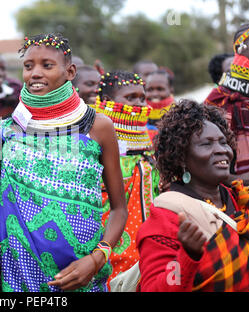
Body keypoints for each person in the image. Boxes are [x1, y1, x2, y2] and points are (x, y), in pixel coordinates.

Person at [0, 33, 127, 292]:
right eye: (28, 66)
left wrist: (96, 259)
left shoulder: (98, 127)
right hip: (19, 277)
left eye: (47, 65)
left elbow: (118, 209)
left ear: (70, 72)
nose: (35, 73)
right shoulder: (5, 132)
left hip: (82, 275)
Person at [136, 99, 249, 291]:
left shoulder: (239, 199)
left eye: (223, 142)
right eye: (207, 144)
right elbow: (153, 288)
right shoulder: (166, 218)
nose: (222, 150)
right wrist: (188, 257)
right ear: (181, 157)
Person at [93, 70, 160, 287]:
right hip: (107, 245)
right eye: (131, 98)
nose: (140, 104)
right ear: (107, 101)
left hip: (149, 247)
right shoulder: (90, 140)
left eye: (142, 98)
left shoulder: (152, 142)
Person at [204, 24, 249, 184]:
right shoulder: (220, 99)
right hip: (237, 193)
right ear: (241, 48)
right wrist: (240, 181)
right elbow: (206, 160)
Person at [145, 69, 176, 141]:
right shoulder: (138, 116)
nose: (154, 94)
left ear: (171, 89)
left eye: (160, 89)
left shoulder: (179, 113)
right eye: (150, 90)